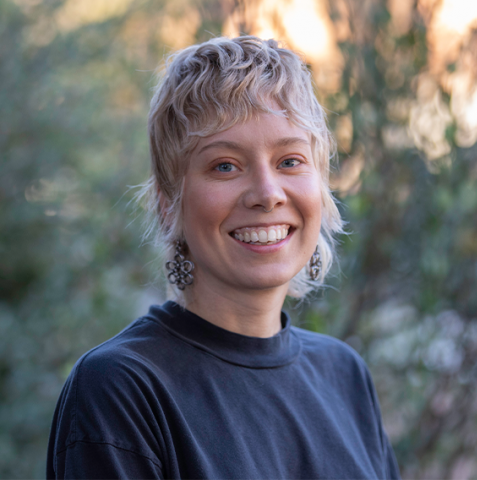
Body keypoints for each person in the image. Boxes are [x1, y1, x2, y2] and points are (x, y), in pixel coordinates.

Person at [46, 36, 400, 479]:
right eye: (225, 166)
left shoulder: (344, 375)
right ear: (168, 203)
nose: (268, 194)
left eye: (290, 161)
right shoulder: (123, 388)